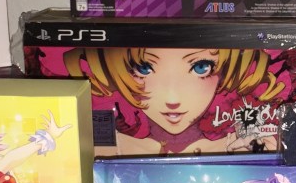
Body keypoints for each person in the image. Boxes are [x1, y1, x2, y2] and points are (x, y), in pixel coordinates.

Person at [64, 46, 284, 154]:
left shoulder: (239, 140)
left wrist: (267, 161)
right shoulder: (110, 145)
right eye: (143, 68)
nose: (172, 99)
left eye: (201, 67)